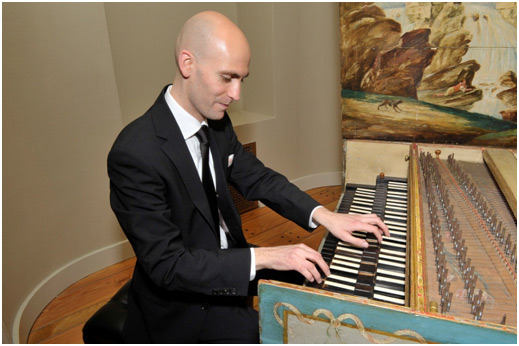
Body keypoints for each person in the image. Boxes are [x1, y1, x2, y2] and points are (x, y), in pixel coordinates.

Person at [107, 10, 389, 343]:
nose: (237, 94)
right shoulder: (135, 153)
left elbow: (259, 178)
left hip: (226, 259)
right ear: (187, 64)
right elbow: (169, 265)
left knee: (324, 282)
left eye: (242, 78)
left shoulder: (216, 122)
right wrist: (269, 255)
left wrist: (327, 216)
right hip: (181, 301)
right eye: (227, 77)